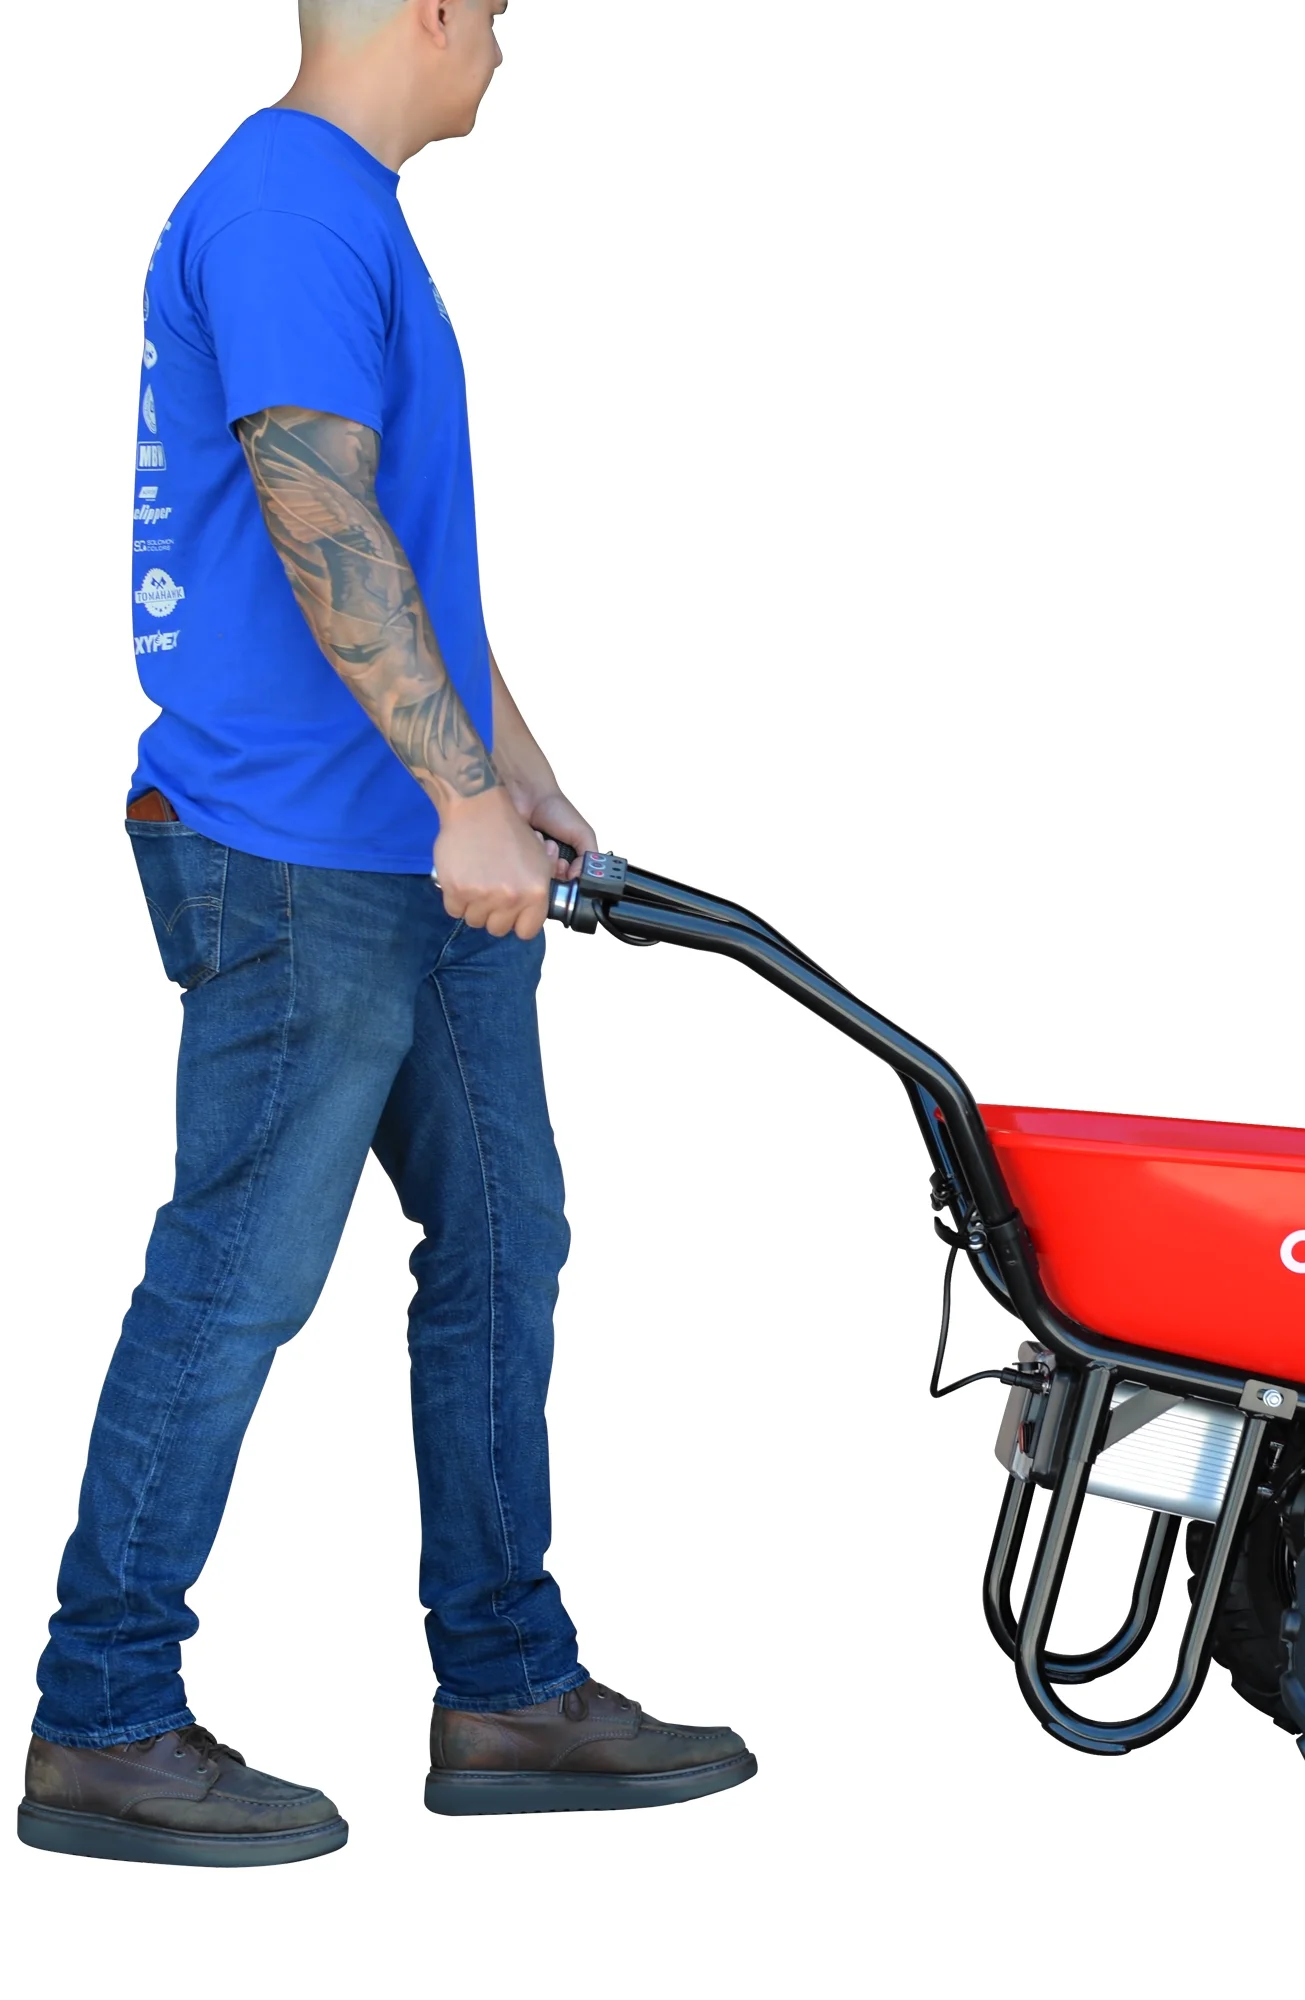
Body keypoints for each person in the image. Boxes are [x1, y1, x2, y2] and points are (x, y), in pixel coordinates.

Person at [19, 0, 754, 1869]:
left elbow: (400, 553)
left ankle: (505, 1686)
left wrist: (517, 778)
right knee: (238, 1274)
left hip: (412, 846)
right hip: (294, 852)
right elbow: (311, 503)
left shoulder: (344, 207)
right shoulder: (286, 204)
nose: (505, 46)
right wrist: (457, 798)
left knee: (507, 1243)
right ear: (427, 7)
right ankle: (102, 1716)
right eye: (496, 12)